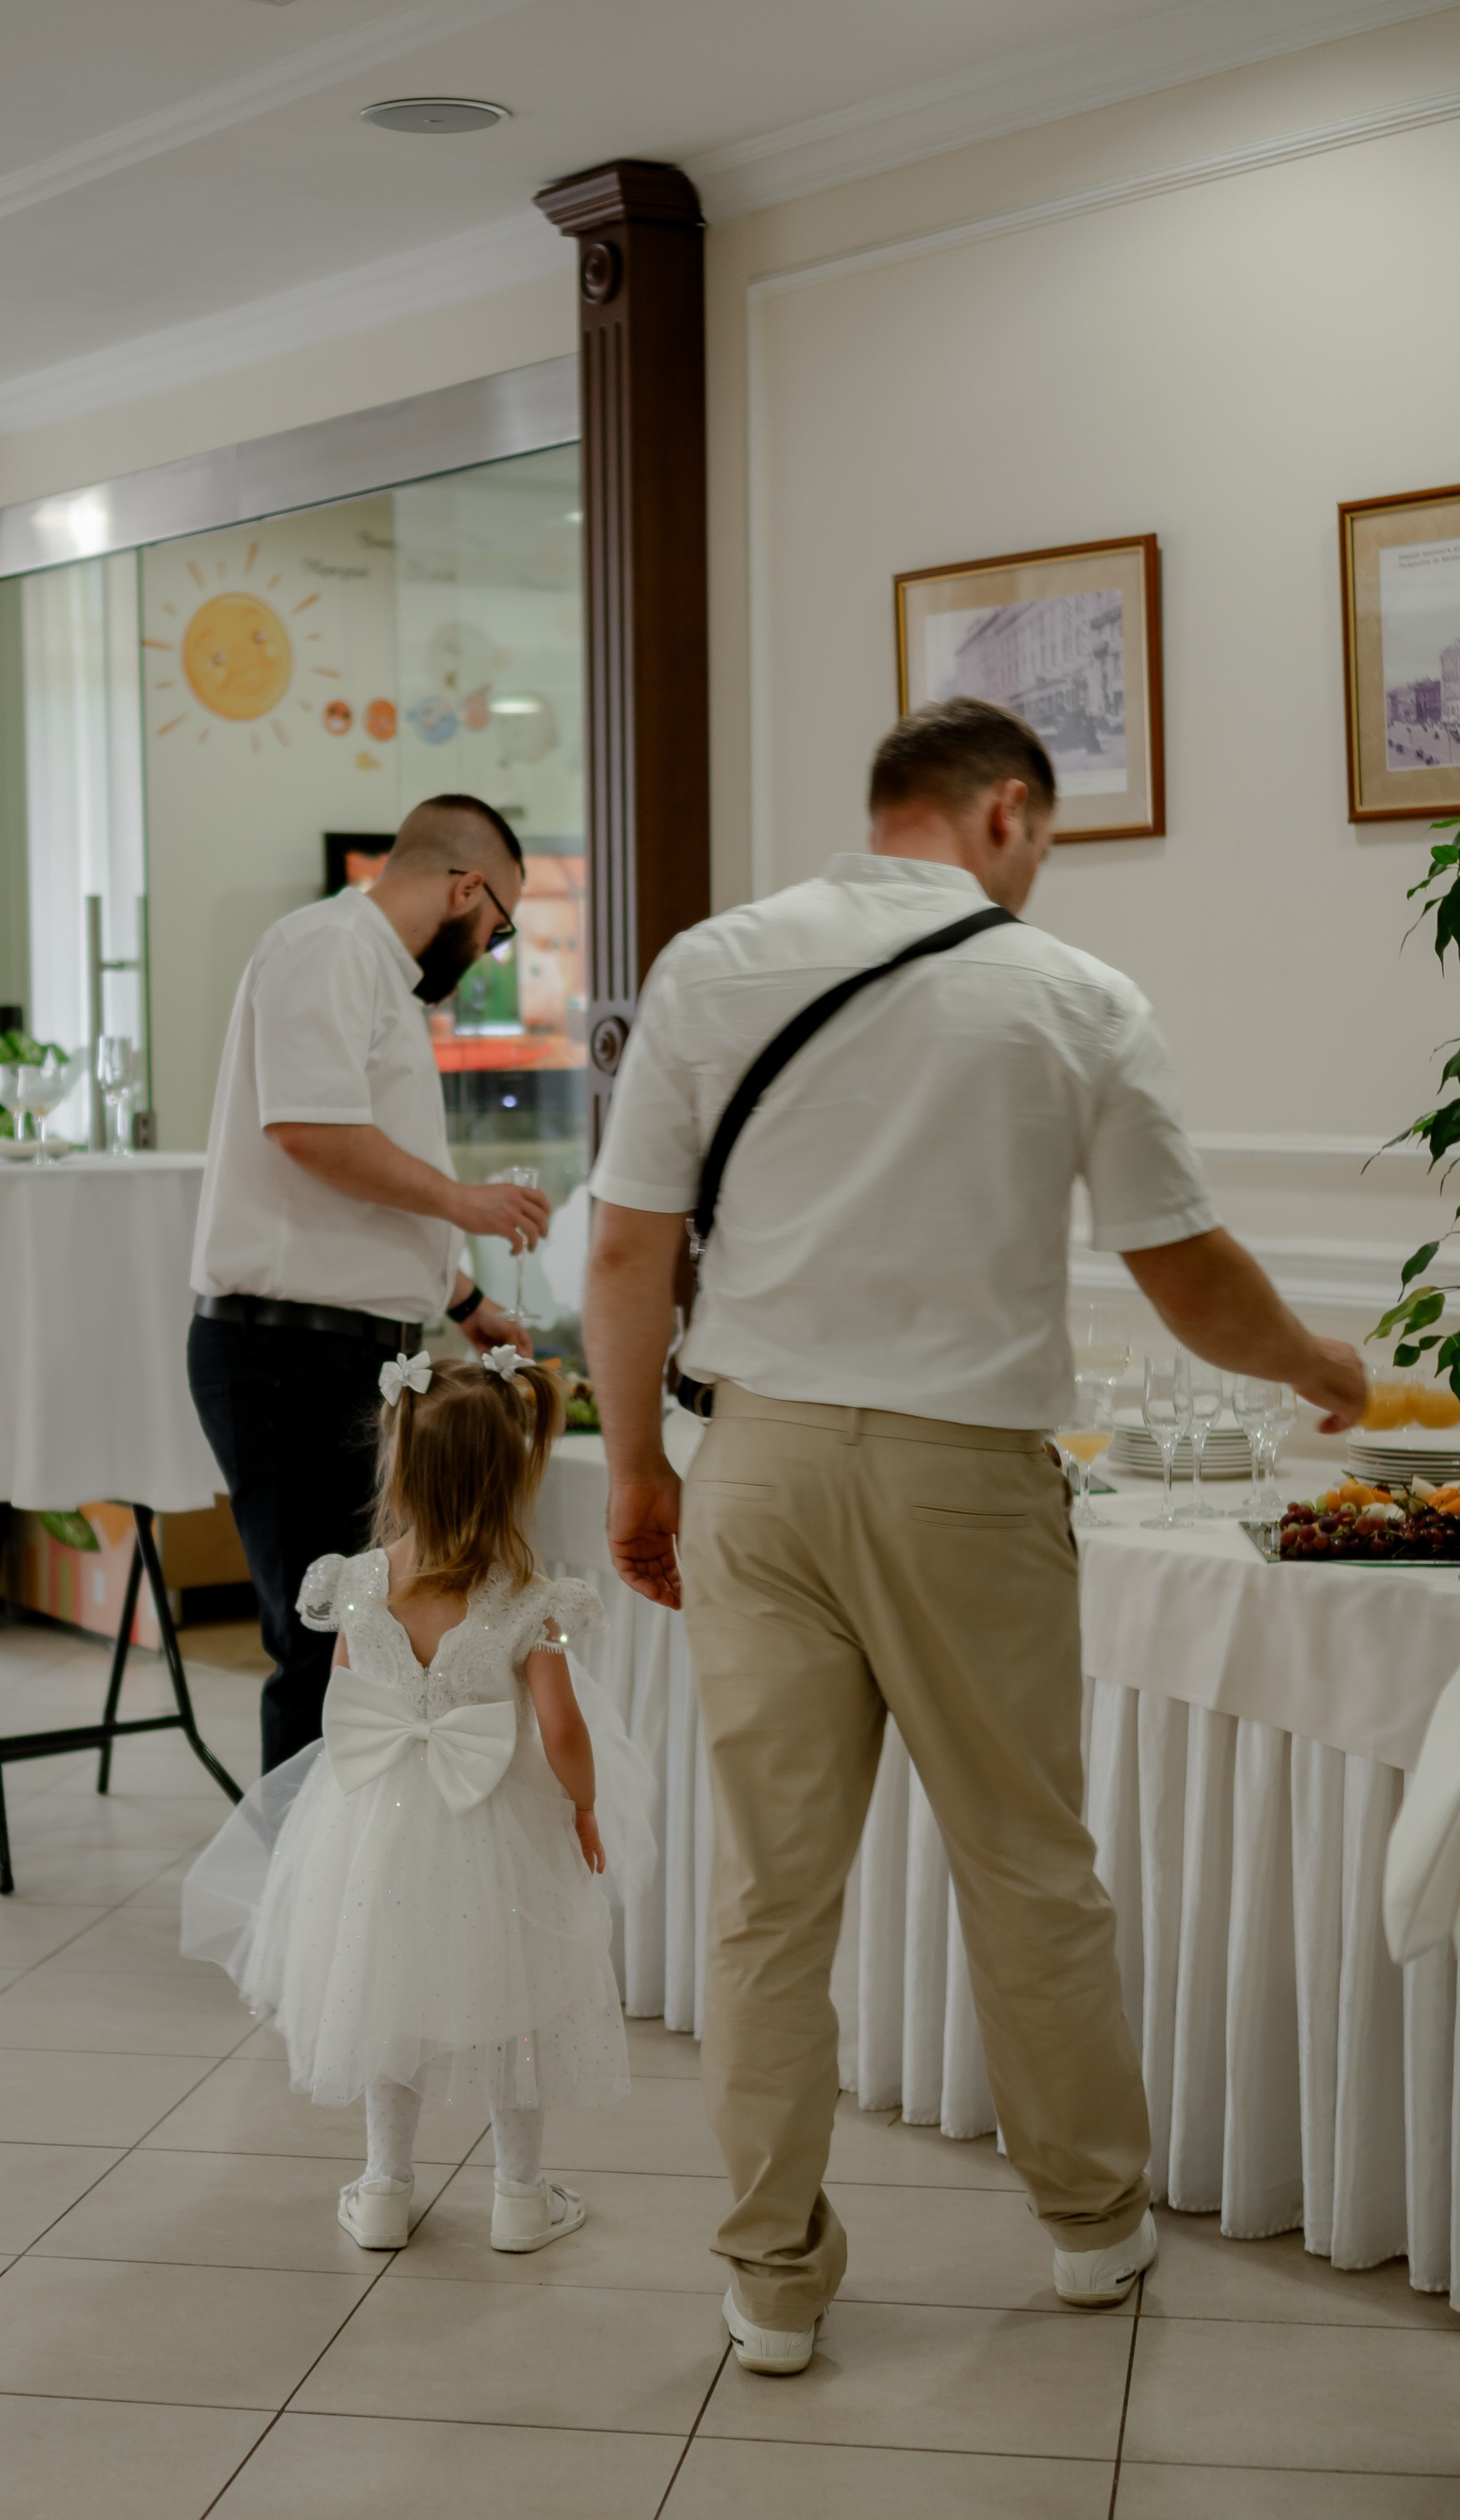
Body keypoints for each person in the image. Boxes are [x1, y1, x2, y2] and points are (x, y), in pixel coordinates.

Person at [581, 696, 1366, 2374]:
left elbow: (623, 1252)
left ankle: (769, 2282)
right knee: (1024, 1869)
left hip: (758, 1465)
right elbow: (1182, 1262)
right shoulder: (1067, 996)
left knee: (769, 1896)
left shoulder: (712, 964)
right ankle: (1089, 2228)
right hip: (963, 1478)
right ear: (1004, 811)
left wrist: (637, 1467)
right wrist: (1312, 1364)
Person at [182, 1349, 646, 2253]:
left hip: (376, 1823)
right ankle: (518, 2197)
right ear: (511, 1472)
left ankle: (385, 2188)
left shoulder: (356, 1582)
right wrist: (583, 1807)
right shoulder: (533, 1601)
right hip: (499, 1823)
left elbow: (344, 1706)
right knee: (517, 2005)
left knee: (382, 1996)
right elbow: (561, 1729)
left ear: (397, 1462)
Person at [188, 794, 551, 1774]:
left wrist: (468, 1304)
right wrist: (464, 1203)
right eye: (500, 926)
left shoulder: (384, 980)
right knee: (320, 1648)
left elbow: (372, 1190)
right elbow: (309, 1132)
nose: (490, 949)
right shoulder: (330, 947)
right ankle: (298, 1917)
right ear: (467, 888)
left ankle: (349, 1904)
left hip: (342, 1354)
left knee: (369, 1646)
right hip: (286, 1355)